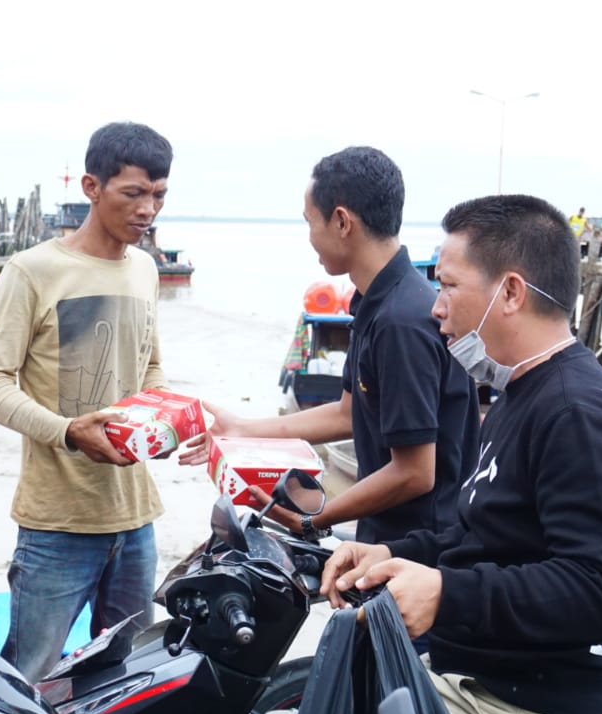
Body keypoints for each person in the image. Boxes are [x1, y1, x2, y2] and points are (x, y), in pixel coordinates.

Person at [320, 194, 602, 714]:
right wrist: (395, 556)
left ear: (512, 293)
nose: (437, 309)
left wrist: (447, 594)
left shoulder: (577, 412)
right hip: (477, 683)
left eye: (447, 286)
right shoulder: (516, 393)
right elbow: (481, 534)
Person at [181, 147, 480, 549]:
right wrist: (245, 430)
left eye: (310, 223)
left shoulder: (400, 322)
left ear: (341, 221)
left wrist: (314, 520)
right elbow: (349, 412)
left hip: (421, 553)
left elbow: (415, 472)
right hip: (387, 538)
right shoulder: (376, 302)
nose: (309, 238)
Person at [0, 121, 172, 682]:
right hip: (56, 523)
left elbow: (150, 369)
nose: (147, 210)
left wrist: (168, 423)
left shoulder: (146, 269)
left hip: (135, 519)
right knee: (26, 675)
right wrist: (67, 431)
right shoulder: (32, 271)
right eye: (132, 193)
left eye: (158, 195)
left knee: (129, 671)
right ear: (92, 186)